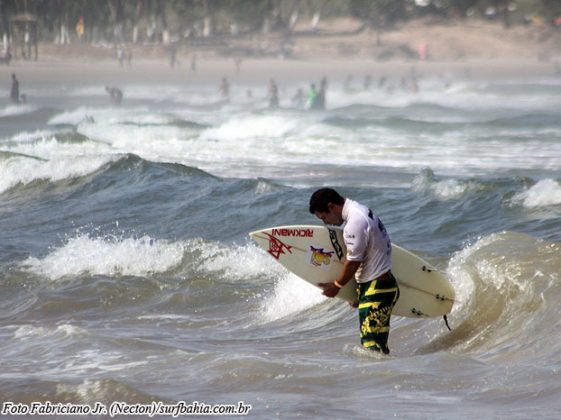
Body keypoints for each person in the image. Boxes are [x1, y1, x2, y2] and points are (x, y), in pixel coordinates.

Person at [309, 188, 399, 355]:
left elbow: (354, 262)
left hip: (377, 289)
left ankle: (382, 379)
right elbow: (366, 257)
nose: (326, 222)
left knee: (372, 348)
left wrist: (336, 286)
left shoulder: (355, 222)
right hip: (377, 285)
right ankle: (384, 378)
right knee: (374, 345)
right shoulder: (360, 210)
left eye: (324, 217)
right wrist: (357, 292)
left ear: (332, 206)